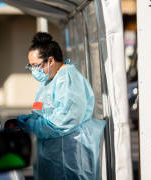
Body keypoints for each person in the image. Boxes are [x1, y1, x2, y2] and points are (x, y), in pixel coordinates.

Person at [17, 32, 106, 180]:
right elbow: (44, 112)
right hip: (55, 160)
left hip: (69, 161)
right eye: (30, 66)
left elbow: (61, 122)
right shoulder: (50, 81)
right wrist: (30, 119)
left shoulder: (68, 80)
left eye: (36, 65)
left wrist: (32, 126)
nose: (33, 71)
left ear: (50, 60)